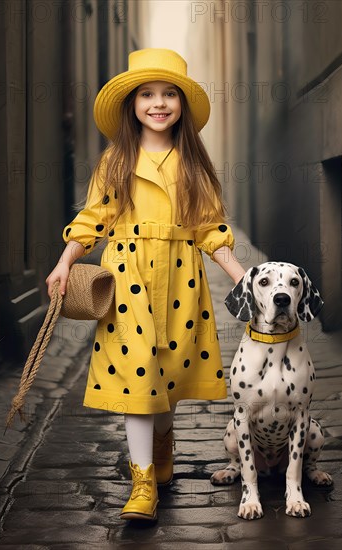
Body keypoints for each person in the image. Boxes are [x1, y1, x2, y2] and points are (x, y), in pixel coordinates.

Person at [46, 48, 245, 521]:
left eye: (169, 94)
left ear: (182, 104)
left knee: (168, 377)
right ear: (132, 105)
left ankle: (163, 439)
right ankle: (141, 484)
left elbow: (210, 228)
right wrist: (63, 262)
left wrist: (242, 276)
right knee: (138, 374)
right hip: (127, 277)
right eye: (148, 94)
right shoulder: (115, 162)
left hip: (180, 278)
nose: (159, 103)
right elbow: (92, 220)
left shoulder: (194, 164)